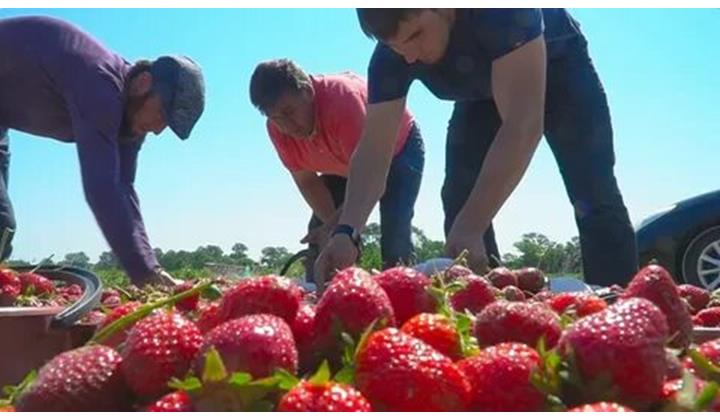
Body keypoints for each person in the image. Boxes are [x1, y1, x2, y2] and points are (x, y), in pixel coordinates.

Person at [315, 9, 638, 290]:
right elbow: (374, 150)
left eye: (415, 35)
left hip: (559, 68)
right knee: (460, 199)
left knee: (593, 192)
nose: (409, 57)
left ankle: (618, 307)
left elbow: (522, 125)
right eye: (395, 46)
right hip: (482, 92)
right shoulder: (392, 58)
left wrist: (473, 224)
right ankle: (489, 308)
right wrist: (347, 232)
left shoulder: (504, 13)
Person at [0, 16, 205, 286]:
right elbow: (103, 189)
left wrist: (153, 269)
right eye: (162, 115)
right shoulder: (100, 86)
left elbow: (123, 187)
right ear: (143, 83)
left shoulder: (130, 119)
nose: (157, 130)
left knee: (3, 227)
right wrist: (144, 274)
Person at [249, 59, 424, 281]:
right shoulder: (278, 130)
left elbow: (370, 176)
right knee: (321, 231)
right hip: (341, 163)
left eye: (290, 111)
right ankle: (326, 290)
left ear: (307, 91)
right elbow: (307, 182)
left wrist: (343, 229)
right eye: (276, 118)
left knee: (395, 227)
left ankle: (403, 287)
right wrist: (331, 228)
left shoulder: (343, 102)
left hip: (395, 151)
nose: (287, 126)